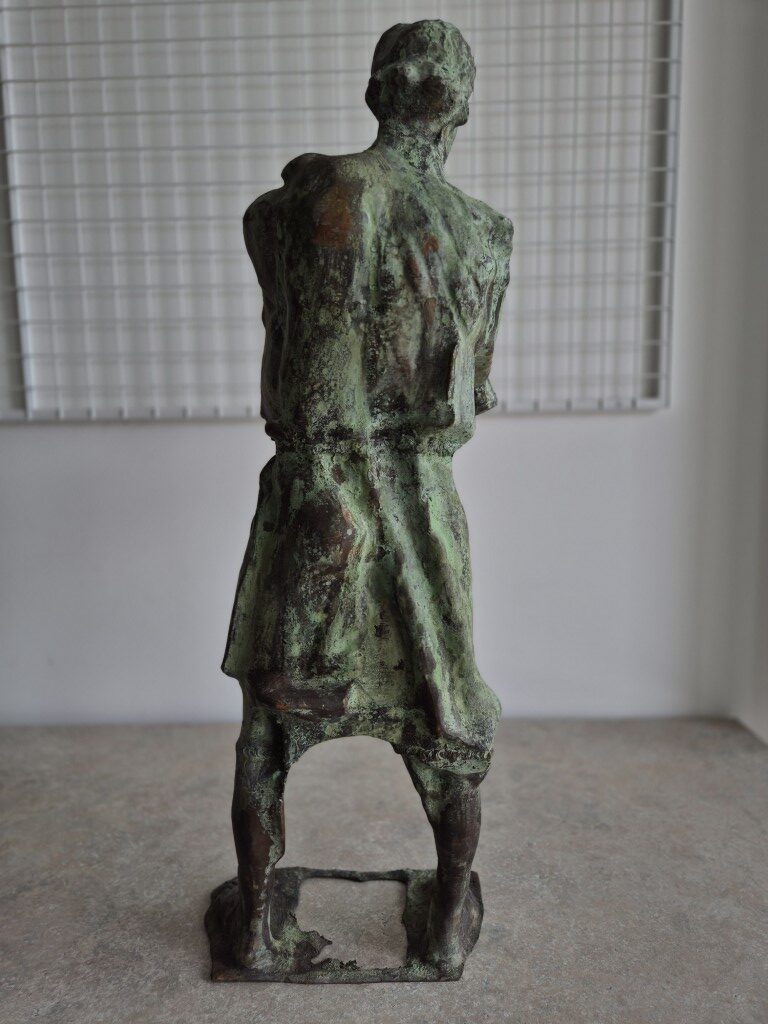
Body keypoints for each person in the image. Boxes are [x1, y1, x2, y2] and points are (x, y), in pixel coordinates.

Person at [216, 18, 513, 975]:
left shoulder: (309, 197)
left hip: (318, 491)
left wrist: (298, 195)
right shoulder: (486, 235)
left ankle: (256, 931)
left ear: (377, 90)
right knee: (447, 719)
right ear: (458, 108)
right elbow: (475, 392)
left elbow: (292, 314)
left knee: (271, 726)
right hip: (422, 508)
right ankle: (444, 918)